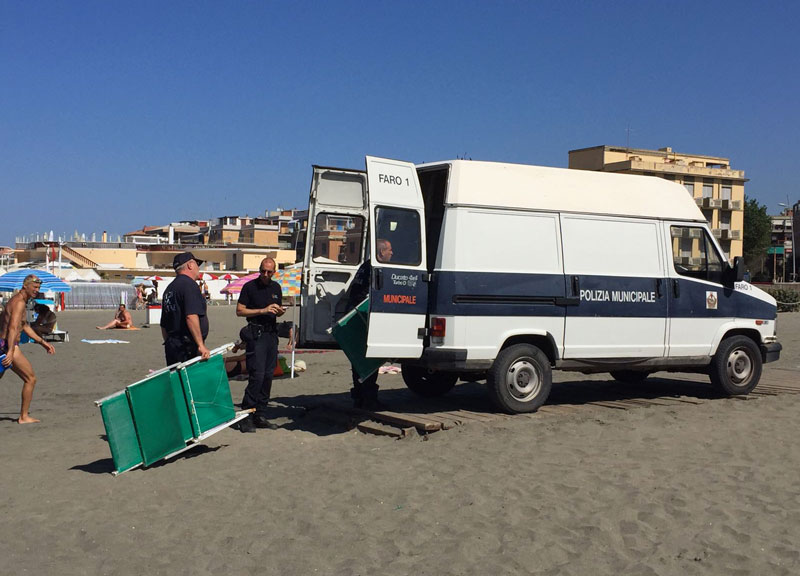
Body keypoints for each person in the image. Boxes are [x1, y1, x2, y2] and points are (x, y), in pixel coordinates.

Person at [235, 257, 285, 432]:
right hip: (256, 333)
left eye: (269, 272)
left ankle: (260, 413)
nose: (265, 274)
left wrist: (279, 311)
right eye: (263, 271)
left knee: (268, 376)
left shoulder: (276, 287)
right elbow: (239, 310)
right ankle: (246, 414)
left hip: (271, 333)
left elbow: (277, 310)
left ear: (274, 272)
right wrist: (262, 310)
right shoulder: (250, 287)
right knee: (257, 375)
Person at [0, 274, 56, 423]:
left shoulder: (18, 301)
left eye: (38, 287)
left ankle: (24, 416)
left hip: (4, 345)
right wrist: (11, 351)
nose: (37, 290)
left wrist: (42, 342)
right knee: (30, 378)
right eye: (34, 287)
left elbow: (23, 326)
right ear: (25, 286)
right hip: (7, 346)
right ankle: (23, 417)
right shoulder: (18, 303)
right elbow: (12, 328)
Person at [345, 238, 393, 410]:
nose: (391, 253)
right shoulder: (374, 269)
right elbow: (369, 297)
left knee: (359, 363)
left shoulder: (365, 266)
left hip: (355, 317)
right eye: (389, 250)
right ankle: (368, 399)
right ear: (381, 252)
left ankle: (360, 397)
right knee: (369, 362)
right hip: (363, 318)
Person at [160, 252, 211, 365]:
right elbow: (191, 316)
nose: (198, 268)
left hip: (173, 344)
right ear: (190, 265)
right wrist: (200, 345)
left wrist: (169, 342)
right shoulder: (189, 285)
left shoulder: (169, 289)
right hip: (187, 346)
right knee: (190, 380)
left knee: (177, 378)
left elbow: (164, 324)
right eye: (197, 264)